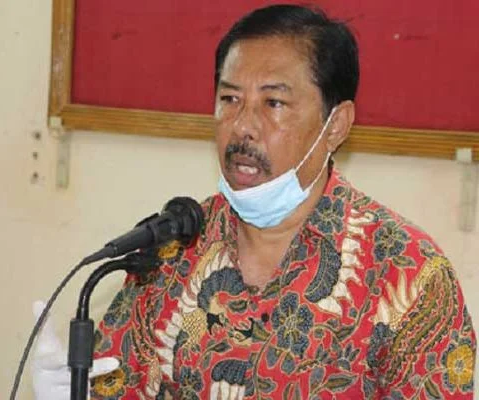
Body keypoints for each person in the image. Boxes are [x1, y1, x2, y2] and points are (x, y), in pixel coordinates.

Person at [34, 4, 476, 399]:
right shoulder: (172, 250)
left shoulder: (407, 272)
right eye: (229, 99)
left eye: (273, 103)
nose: (243, 126)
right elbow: (119, 385)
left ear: (336, 125)